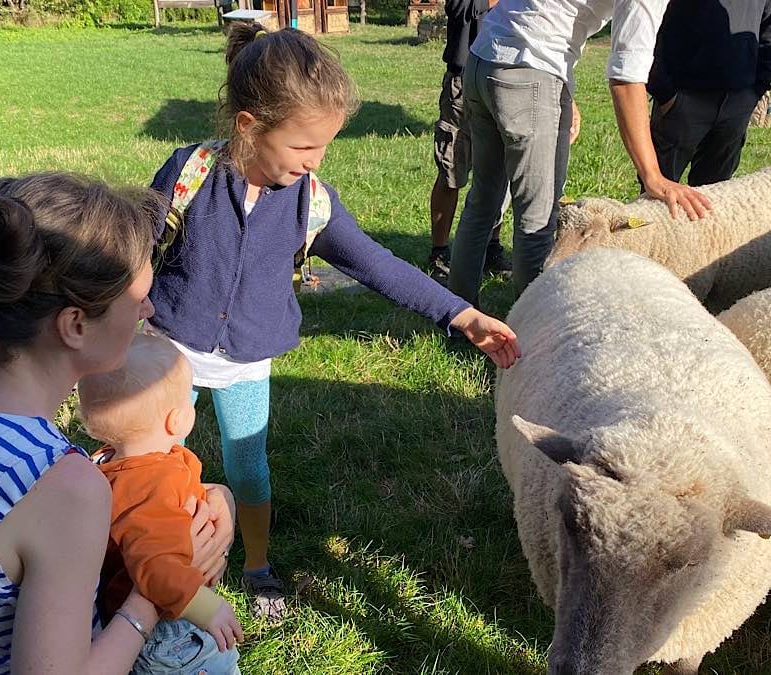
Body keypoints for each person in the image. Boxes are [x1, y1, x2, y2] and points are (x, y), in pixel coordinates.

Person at [148, 22, 521, 622]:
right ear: (249, 126)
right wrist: (124, 301)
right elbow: (132, 248)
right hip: (167, 353)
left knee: (248, 463)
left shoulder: (311, 200)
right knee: (158, 466)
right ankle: (159, 563)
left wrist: (461, 313)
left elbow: (376, 264)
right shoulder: (189, 172)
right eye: (302, 147)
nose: (314, 162)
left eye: (323, 147)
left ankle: (257, 566)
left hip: (246, 360)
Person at [0, 173, 234, 673]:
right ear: (75, 325)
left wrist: (211, 496)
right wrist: (147, 598)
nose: (150, 308)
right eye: (137, 296)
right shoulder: (57, 486)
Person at [448, 0, 713, 306]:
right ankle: (535, 335)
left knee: (483, 201)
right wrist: (653, 175)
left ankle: (458, 315)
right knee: (538, 219)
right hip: (530, 68)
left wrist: (562, 91)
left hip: (484, 58)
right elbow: (626, 77)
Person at [78, 333, 244, 675]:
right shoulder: (155, 483)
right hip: (174, 629)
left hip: (129, 619)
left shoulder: (106, 464)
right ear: (178, 420)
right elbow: (154, 566)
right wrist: (205, 606)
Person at [647, 0, 771, 186]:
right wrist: (664, 91)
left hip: (737, 103)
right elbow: (647, 21)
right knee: (653, 198)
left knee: (714, 200)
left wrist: (756, 89)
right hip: (681, 99)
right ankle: (641, 217)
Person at [426, 0, 510, 284]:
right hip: (463, 81)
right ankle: (439, 251)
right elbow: (465, 9)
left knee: (500, 172)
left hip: (506, 79)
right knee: (452, 170)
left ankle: (492, 246)